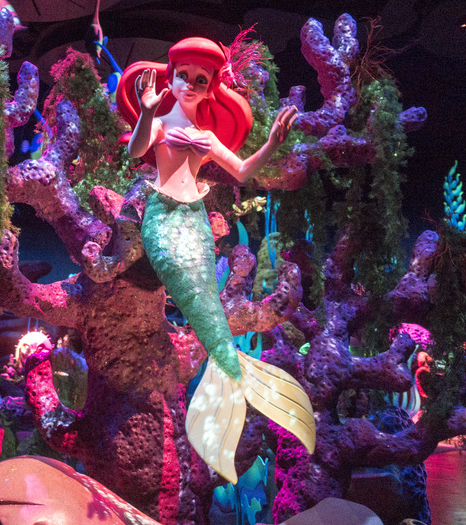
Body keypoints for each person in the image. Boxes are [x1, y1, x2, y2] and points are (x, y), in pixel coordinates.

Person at [115, 37, 316, 484]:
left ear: (210, 88)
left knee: (209, 302)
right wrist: (146, 110)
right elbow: (135, 150)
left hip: (197, 220)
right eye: (182, 75)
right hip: (163, 219)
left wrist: (272, 143)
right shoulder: (159, 123)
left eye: (200, 79)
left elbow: (242, 171)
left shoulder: (205, 137)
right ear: (171, 78)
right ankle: (233, 380)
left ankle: (231, 380)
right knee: (191, 293)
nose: (189, 84)